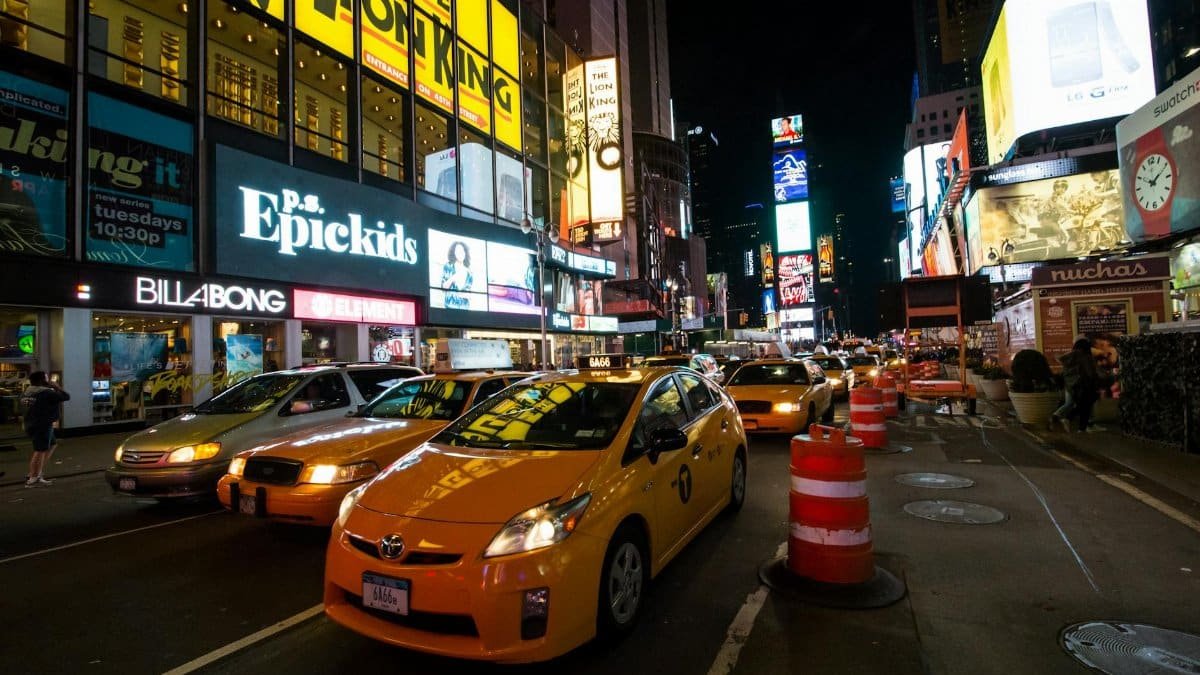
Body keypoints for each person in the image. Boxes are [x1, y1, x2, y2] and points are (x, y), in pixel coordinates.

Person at [20, 372, 70, 487]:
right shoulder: (46, 393)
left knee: (52, 444)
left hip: (31, 424)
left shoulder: (26, 392)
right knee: (40, 450)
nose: (49, 380)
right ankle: (33, 477)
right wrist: (56, 386)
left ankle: (38, 471)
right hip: (43, 425)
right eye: (47, 378)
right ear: (43, 381)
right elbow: (66, 396)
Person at [1051, 338, 1099, 433]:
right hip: (1081, 384)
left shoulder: (1070, 357)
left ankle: (1057, 417)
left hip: (1069, 384)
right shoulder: (1084, 356)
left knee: (1070, 403)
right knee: (1085, 404)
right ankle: (1083, 425)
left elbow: (1064, 371)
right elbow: (1089, 372)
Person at [440, 241, 474, 309]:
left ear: (465, 253)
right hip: (449, 309)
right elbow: (443, 288)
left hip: (464, 310)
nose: (460, 253)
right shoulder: (448, 266)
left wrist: (468, 296)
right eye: (458, 251)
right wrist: (453, 278)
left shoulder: (469, 272)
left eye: (462, 251)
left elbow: (470, 293)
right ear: (454, 253)